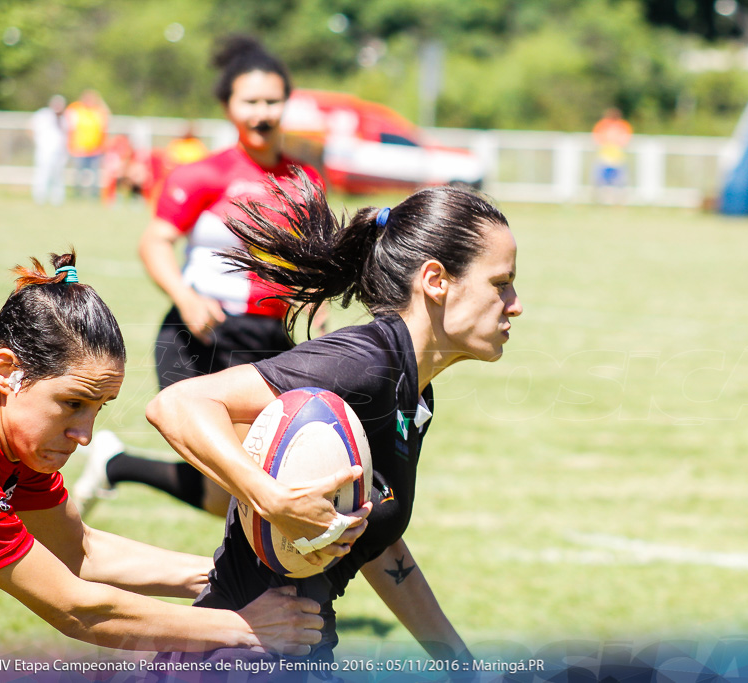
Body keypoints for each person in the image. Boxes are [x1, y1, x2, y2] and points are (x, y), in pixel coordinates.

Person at [144, 172, 523, 667]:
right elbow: (176, 405)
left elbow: (379, 545)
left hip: (299, 657)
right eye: (501, 284)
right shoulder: (363, 363)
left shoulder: (413, 388)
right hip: (236, 660)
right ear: (435, 281)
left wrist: (459, 662)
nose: (516, 305)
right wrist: (272, 499)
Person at [0, 250, 363, 653]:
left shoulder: (16, 444)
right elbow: (76, 609)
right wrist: (244, 627)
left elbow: (79, 551)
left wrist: (228, 575)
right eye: (72, 403)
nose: (83, 435)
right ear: (5, 372)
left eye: (98, 407)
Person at [73, 35, 326, 518]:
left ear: (286, 104)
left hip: (271, 342)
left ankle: (114, 464)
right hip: (197, 337)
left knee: (231, 493)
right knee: (237, 490)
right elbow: (154, 243)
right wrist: (185, 296)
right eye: (250, 101)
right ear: (229, 107)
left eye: (272, 101)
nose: (262, 112)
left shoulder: (306, 180)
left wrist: (318, 308)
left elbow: (311, 264)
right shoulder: (201, 175)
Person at [65, 90, 111, 199]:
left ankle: (93, 196)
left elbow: (107, 115)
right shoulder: (77, 110)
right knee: (78, 174)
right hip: (79, 149)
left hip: (94, 150)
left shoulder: (97, 112)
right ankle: (77, 195)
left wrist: (100, 102)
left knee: (95, 175)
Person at [30, 94, 69, 206]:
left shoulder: (64, 119)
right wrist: (38, 142)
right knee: (43, 173)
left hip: (59, 152)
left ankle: (57, 199)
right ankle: (39, 198)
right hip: (45, 151)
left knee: (58, 175)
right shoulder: (43, 115)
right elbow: (30, 127)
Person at [592, 107, 632, 203]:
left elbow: (625, 140)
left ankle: (619, 201)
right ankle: (600, 200)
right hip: (604, 157)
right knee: (600, 181)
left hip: (618, 158)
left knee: (620, 182)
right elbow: (597, 139)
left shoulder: (622, 125)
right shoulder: (602, 125)